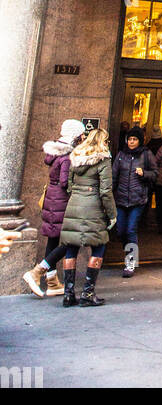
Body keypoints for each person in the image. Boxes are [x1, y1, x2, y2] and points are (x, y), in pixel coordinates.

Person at [23, 118, 86, 298]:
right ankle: (37, 272)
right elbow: (66, 182)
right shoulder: (67, 156)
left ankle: (52, 282)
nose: (82, 137)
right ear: (74, 135)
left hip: (52, 200)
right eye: (81, 134)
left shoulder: (56, 154)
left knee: (53, 238)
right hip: (62, 202)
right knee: (71, 240)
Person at [59, 127, 117, 307]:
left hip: (74, 205)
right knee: (99, 246)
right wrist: (112, 214)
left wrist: (77, 195)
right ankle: (87, 292)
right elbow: (106, 191)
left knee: (71, 247)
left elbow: (69, 184)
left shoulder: (75, 158)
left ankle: (68, 293)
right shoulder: (103, 160)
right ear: (103, 141)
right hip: (94, 208)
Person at [112, 126, 157, 278]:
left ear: (140, 140)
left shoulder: (146, 154)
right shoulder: (121, 155)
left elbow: (156, 174)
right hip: (121, 198)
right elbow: (114, 175)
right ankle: (128, 252)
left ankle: (130, 261)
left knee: (131, 229)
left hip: (138, 199)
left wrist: (144, 173)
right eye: (130, 139)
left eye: (135, 139)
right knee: (120, 230)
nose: (132, 142)